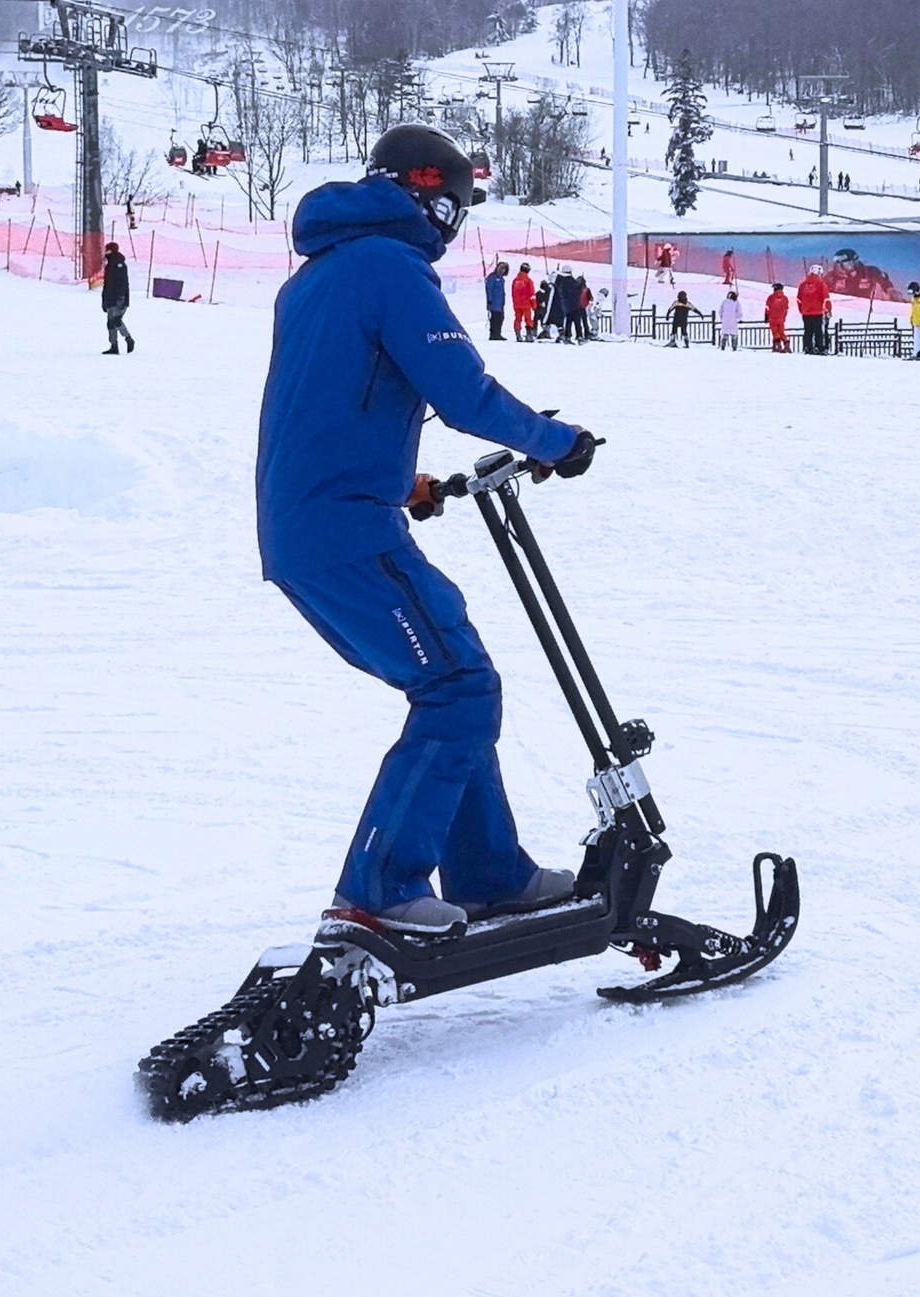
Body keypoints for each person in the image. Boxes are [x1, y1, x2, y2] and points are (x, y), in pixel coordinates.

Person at [256, 123, 593, 935]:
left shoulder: (316, 274)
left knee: (453, 671)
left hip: (311, 524)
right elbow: (463, 393)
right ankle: (379, 890)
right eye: (457, 208)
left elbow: (331, 402)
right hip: (347, 530)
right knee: (459, 687)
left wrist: (406, 483)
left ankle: (490, 873)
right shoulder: (390, 266)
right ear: (432, 200)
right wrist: (557, 442)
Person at [100, 241, 133, 354]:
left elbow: (122, 283)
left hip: (118, 298)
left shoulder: (118, 264)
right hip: (110, 297)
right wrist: (105, 299)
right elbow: (107, 284)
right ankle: (114, 345)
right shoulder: (110, 264)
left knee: (116, 320)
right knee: (110, 322)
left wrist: (121, 298)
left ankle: (128, 338)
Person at [796, 264, 830, 355]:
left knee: (808, 331)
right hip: (817, 312)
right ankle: (820, 348)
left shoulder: (803, 284)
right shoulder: (821, 284)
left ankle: (808, 347)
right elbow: (826, 298)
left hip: (806, 312)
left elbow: (799, 299)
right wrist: (828, 309)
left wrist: (801, 309)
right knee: (818, 331)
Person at [510, 263, 536, 341]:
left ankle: (518, 335)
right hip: (526, 304)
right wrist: (534, 305)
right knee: (528, 319)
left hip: (517, 304)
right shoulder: (528, 281)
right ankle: (529, 335)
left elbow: (513, 293)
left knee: (517, 319)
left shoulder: (515, 280)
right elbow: (532, 294)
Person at [484, 261, 508, 341]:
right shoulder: (492, 277)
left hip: (500, 302)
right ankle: (493, 334)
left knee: (500, 318)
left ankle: (498, 333)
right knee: (494, 318)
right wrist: (489, 300)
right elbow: (489, 289)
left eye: (504, 269)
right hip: (494, 302)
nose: (502, 270)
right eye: (501, 268)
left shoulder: (501, 279)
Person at [766, 282, 791, 352]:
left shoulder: (771, 297)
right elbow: (786, 308)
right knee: (782, 332)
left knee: (775, 332)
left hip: (772, 318)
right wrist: (784, 317)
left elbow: (767, 307)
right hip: (781, 319)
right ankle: (786, 345)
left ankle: (777, 346)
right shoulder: (785, 298)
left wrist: (766, 316)